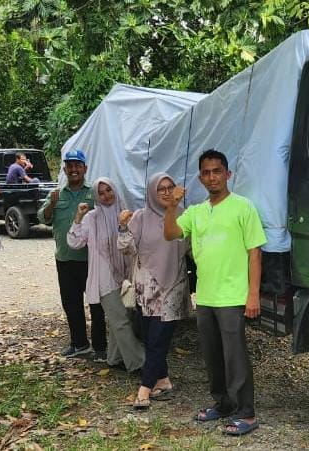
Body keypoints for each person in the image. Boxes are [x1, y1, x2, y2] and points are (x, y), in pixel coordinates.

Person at [163, 149, 266, 436]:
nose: (212, 177)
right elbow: (170, 234)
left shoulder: (243, 207)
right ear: (200, 178)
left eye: (217, 171)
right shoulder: (195, 212)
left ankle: (246, 412)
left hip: (233, 296)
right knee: (212, 355)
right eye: (206, 173)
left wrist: (253, 294)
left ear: (227, 174)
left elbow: (254, 254)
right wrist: (172, 206)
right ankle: (222, 404)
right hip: (206, 296)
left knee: (236, 356)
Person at [118, 172, 191, 410]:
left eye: (171, 187)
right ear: (151, 192)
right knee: (150, 338)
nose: (167, 192)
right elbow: (126, 249)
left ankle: (144, 389)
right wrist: (123, 226)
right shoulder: (140, 217)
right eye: (161, 189)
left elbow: (192, 250)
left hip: (172, 287)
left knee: (159, 340)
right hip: (145, 288)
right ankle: (164, 381)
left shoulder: (184, 216)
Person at [67, 177, 144, 373]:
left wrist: (125, 225)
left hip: (126, 276)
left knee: (125, 318)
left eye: (108, 190)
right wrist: (78, 217)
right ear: (96, 196)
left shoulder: (125, 213)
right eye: (100, 193)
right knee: (121, 322)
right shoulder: (91, 218)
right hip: (104, 279)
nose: (106, 195)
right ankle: (141, 363)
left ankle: (114, 358)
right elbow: (74, 243)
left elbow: (133, 246)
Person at [37, 149, 107, 360]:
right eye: (70, 165)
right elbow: (43, 219)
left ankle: (100, 347)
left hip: (91, 260)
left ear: (85, 168)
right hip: (65, 259)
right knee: (71, 303)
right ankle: (79, 344)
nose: (74, 169)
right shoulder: (57, 193)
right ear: (65, 169)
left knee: (96, 304)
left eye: (78, 165)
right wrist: (52, 203)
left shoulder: (93, 192)